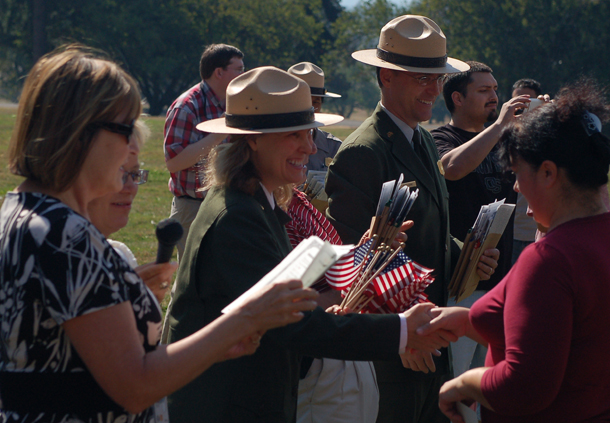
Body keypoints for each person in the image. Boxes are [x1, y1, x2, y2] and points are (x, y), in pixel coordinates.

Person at [0, 45, 319, 423]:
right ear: (78, 132)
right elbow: (135, 386)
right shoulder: (64, 234)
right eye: (126, 129)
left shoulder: (29, 211)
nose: (134, 147)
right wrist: (244, 319)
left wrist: (118, 291)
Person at [163, 66, 459, 423]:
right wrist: (400, 330)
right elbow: (290, 324)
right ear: (252, 139)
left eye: (310, 133)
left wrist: (363, 254)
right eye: (294, 135)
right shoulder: (238, 215)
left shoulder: (254, 202)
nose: (310, 146)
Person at [430, 79, 610, 422]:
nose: (515, 186)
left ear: (547, 173)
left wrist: (462, 385)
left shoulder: (549, 259)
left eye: (517, 173)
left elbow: (524, 387)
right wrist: (470, 323)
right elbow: (557, 334)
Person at [325, 15, 499, 423]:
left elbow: (426, 232)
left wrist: (465, 256)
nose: (434, 89)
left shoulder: (420, 136)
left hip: (428, 344)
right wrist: (400, 336)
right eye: (421, 77)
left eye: (437, 77)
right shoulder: (363, 152)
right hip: (391, 357)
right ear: (386, 76)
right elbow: (350, 263)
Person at [431, 62, 522, 380]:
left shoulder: (504, 139)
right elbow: (452, 168)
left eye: (496, 89)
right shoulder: (440, 138)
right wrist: (498, 127)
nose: (494, 96)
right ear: (457, 98)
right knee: (455, 379)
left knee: (490, 383)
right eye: (484, 90)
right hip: (462, 285)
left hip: (502, 283)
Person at [164, 43, 245, 260]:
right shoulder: (186, 106)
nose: (243, 75)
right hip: (192, 207)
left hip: (227, 204)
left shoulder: (236, 103)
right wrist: (219, 132)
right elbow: (173, 162)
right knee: (190, 277)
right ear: (219, 72)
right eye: (238, 69)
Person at [88, 120, 176, 301]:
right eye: (119, 173)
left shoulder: (119, 256)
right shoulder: (74, 259)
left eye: (135, 174)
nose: (130, 187)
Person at [288, 62, 343, 172]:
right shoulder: (275, 144)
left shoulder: (333, 147)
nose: (311, 108)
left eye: (316, 102)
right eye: (305, 101)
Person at [510, 79, 543, 261]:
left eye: (528, 102)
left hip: (537, 232)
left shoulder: (547, 138)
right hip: (510, 234)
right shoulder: (499, 137)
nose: (522, 108)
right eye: (517, 102)